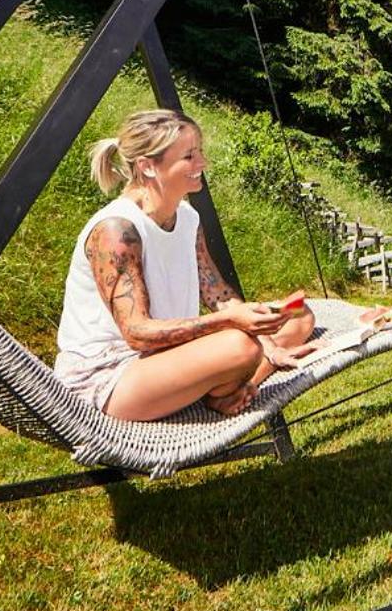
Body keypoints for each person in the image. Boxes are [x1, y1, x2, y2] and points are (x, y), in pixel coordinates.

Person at [53, 109, 318, 419]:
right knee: (239, 346)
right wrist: (234, 325)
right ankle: (232, 383)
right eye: (189, 157)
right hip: (109, 376)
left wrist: (265, 335)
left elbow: (217, 293)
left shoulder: (188, 218)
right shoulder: (117, 230)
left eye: (200, 153)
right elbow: (136, 333)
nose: (202, 164)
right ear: (147, 167)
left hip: (167, 357)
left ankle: (231, 387)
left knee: (299, 316)